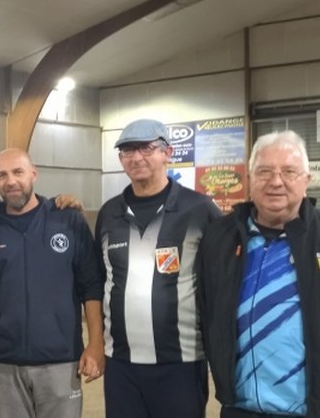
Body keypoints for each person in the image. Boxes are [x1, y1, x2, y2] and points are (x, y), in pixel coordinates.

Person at [196, 131, 320, 418]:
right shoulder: (220, 238)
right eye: (264, 171)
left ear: (306, 180)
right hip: (241, 410)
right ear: (250, 180)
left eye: (289, 172)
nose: (276, 181)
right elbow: (205, 313)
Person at [0, 148, 104, 418]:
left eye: (18, 172)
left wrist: (96, 342)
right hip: (2, 365)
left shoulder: (68, 220)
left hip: (61, 361)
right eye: (2, 175)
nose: (11, 181)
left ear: (34, 174)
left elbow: (91, 286)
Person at [97, 119, 221, 418]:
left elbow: (221, 280)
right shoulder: (109, 213)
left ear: (168, 152)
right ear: (120, 159)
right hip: (120, 364)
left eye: (146, 148)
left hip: (181, 362)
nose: (136, 157)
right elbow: (101, 280)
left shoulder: (200, 210)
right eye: (128, 150)